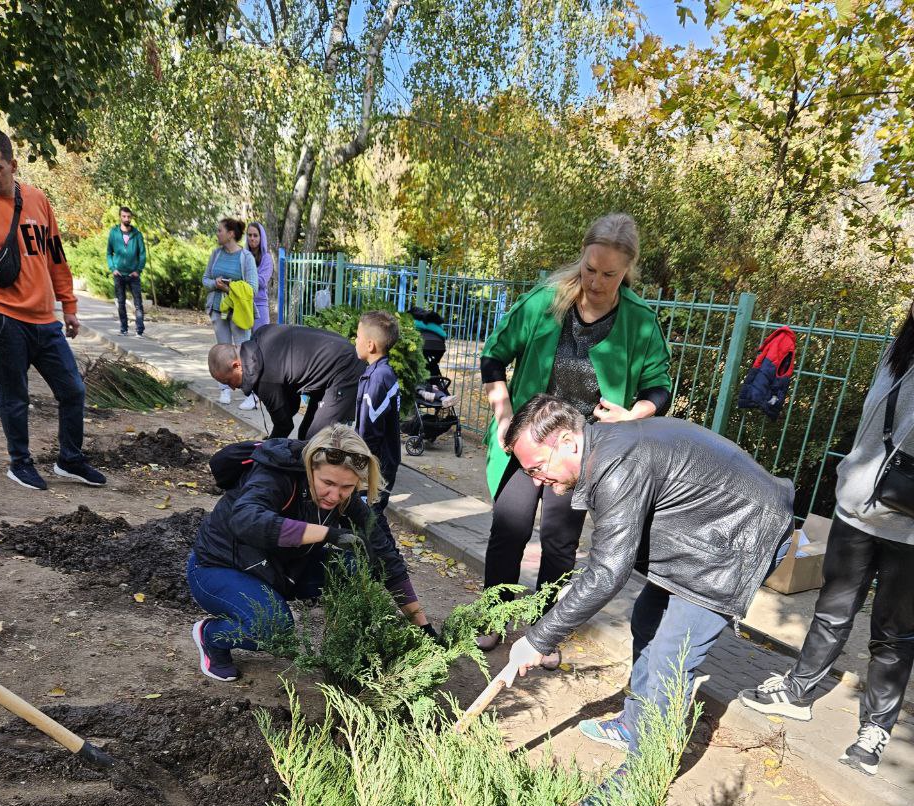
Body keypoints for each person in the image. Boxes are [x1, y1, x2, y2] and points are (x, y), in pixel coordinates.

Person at [501, 394, 794, 765]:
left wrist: (539, 639)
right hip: (706, 532)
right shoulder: (604, 449)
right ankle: (635, 725)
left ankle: (643, 776)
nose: (538, 481)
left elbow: (609, 570)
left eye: (536, 468)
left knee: (670, 658)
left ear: (566, 442)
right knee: (647, 618)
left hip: (739, 538)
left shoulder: (617, 462)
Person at [477, 212, 672, 663]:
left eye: (610, 274)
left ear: (628, 271)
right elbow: (494, 355)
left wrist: (633, 414)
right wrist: (503, 412)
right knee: (509, 528)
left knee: (560, 542)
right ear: (581, 258)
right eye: (590, 269)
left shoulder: (639, 322)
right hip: (526, 440)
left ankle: (544, 631)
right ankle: (492, 618)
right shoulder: (547, 302)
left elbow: (659, 386)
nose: (597, 282)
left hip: (581, 453)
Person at [740, 305, 914, 776]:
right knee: (833, 611)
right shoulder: (897, 356)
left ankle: (875, 729)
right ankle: (798, 691)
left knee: (894, 635)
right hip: (855, 511)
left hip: (911, 532)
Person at [188, 424, 434, 681]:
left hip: (281, 569)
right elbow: (247, 520)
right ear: (309, 467)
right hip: (219, 567)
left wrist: (422, 626)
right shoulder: (275, 475)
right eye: (327, 483)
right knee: (273, 629)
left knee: (359, 565)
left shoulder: (344, 496)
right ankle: (211, 636)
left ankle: (345, 646)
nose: (335, 495)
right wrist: (327, 534)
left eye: (347, 487)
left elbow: (386, 557)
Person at [0, 127, 106, 491]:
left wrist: (68, 304)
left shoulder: (37, 199)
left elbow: (55, 255)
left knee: (73, 390)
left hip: (45, 319)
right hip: (3, 316)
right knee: (14, 395)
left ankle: (69, 459)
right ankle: (19, 463)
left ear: (13, 165)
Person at [208, 324, 364, 440]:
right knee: (305, 435)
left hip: (345, 368)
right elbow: (292, 406)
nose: (232, 388)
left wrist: (266, 448)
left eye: (228, 381)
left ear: (237, 365)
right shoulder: (260, 336)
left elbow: (284, 425)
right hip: (335, 357)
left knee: (315, 439)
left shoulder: (266, 380)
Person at [202, 217, 259, 408]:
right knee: (222, 351)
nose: (217, 234)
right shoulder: (216, 254)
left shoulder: (246, 258)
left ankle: (251, 395)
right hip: (218, 309)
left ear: (230, 234)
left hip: (238, 312)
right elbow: (205, 279)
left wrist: (230, 289)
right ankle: (224, 389)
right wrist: (215, 284)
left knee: (244, 352)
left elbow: (253, 288)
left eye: (220, 230)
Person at [354, 310, 401, 533]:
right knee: (371, 518)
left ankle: (383, 563)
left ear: (370, 345)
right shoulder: (379, 373)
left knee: (369, 520)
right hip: (378, 463)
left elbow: (370, 431)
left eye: (358, 336)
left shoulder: (378, 378)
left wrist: (359, 465)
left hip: (376, 466)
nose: (355, 341)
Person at [106, 206, 146, 336]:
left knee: (138, 304)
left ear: (131, 217)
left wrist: (138, 270)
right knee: (121, 303)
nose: (126, 219)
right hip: (119, 274)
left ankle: (139, 330)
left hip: (133, 275)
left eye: (129, 216)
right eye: (124, 216)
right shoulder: (113, 233)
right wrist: (113, 268)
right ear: (120, 217)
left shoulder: (137, 235)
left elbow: (142, 254)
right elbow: (109, 253)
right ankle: (124, 329)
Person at [246, 221, 274, 329]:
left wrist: (244, 276)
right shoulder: (243, 256)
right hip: (243, 305)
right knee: (243, 344)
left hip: (260, 306)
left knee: (260, 342)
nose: (252, 238)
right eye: (249, 235)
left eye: (255, 235)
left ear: (261, 237)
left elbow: (261, 282)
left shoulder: (266, 258)